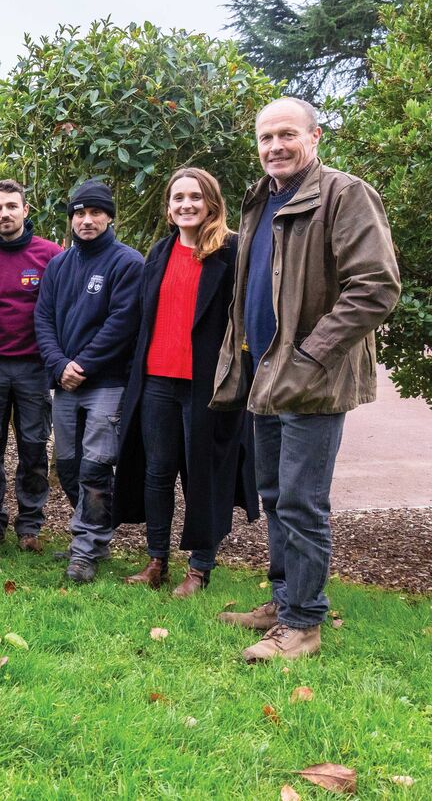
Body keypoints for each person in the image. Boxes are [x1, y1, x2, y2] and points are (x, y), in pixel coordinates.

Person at [211, 97, 400, 662]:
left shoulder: (344, 195)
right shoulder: (261, 202)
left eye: (287, 134)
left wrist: (311, 356)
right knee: (273, 496)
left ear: (315, 136)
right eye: (266, 138)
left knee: (301, 501)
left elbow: (376, 287)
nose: (275, 146)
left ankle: (302, 625)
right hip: (265, 375)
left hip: (312, 380)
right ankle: (283, 598)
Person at [113, 168, 258, 597]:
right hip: (156, 381)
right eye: (178, 198)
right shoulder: (160, 251)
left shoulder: (232, 251)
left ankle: (199, 569)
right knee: (156, 475)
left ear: (211, 201)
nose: (186, 205)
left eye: (195, 197)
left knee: (202, 477)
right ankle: (156, 560)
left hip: (207, 388)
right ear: (169, 207)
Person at [34, 180, 144, 583]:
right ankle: (91, 532)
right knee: (68, 466)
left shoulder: (127, 262)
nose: (86, 220)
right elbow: (43, 318)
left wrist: (82, 365)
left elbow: (122, 323)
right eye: (79, 213)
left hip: (107, 383)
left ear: (109, 216)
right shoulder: (59, 265)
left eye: (95, 212)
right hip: (64, 383)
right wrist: (59, 364)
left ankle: (87, 549)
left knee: (96, 468)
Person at [0, 180, 62, 552]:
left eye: (11, 206)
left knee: (33, 448)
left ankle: (30, 526)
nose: (4, 213)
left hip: (35, 367)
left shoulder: (51, 254)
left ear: (25, 209)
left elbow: (59, 310)